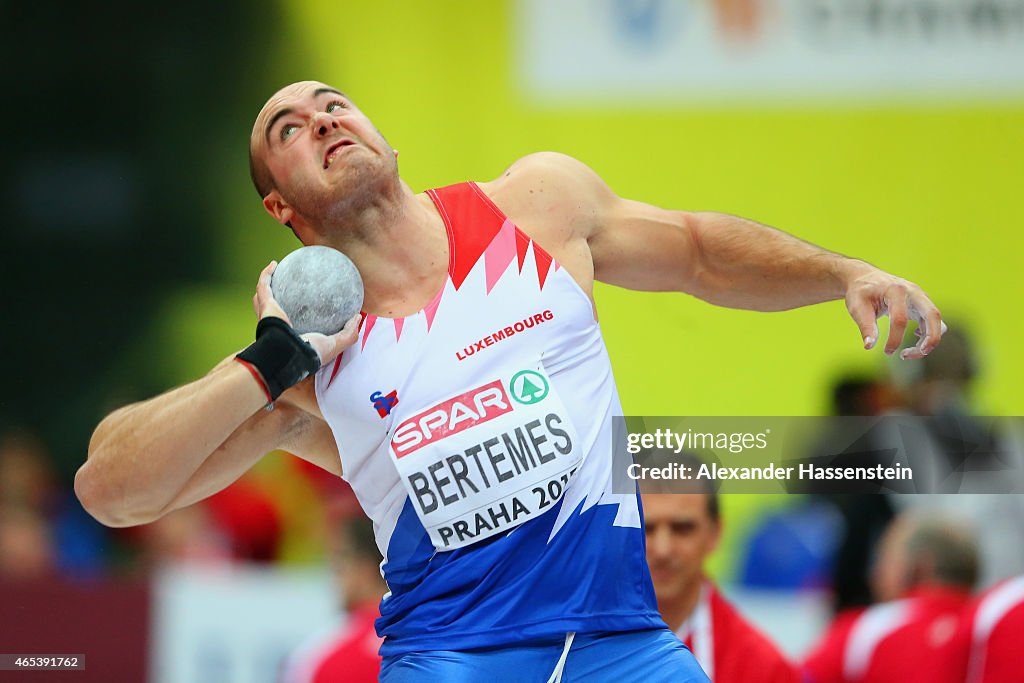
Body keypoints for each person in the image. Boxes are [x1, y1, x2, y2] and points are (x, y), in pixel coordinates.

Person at [75, 80, 946, 681]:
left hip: (621, 641)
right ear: (282, 211)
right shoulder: (310, 356)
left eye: (335, 104)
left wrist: (841, 273)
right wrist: (268, 362)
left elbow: (701, 254)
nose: (325, 119)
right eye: (290, 130)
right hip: (453, 656)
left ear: (386, 139)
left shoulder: (535, 206)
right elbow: (113, 491)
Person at [641, 453, 800, 682]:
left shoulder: (763, 669)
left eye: (683, 528)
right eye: (646, 528)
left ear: (715, 533)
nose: (663, 549)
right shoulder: (575, 642)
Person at [802, 511, 979, 683]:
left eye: (884, 560)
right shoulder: (986, 628)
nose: (874, 575)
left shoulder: (866, 629)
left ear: (920, 568)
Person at [282, 515, 386, 683]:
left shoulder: (320, 654)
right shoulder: (433, 638)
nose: (334, 575)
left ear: (363, 567)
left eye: (338, 560)